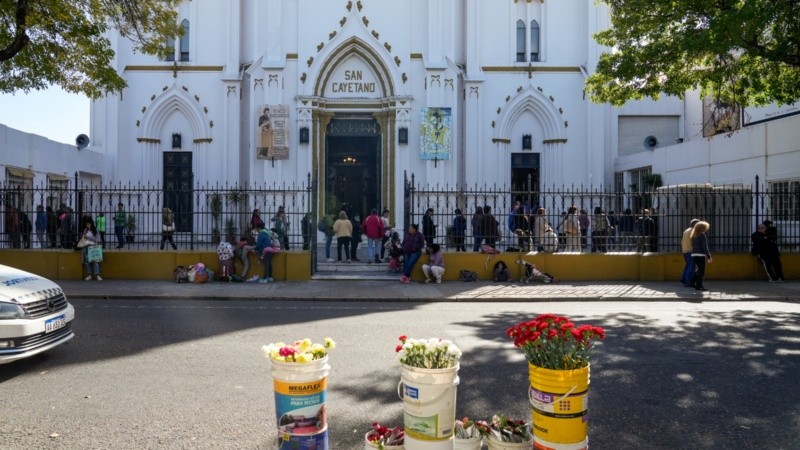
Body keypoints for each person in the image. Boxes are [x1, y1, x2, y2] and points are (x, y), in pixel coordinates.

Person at [690, 221, 712, 291]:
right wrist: (709, 256)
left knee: (699, 270)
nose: (706, 229)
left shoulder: (693, 235)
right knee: (701, 271)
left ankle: (692, 281)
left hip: (694, 254)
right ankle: (699, 286)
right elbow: (705, 247)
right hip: (700, 255)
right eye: (705, 228)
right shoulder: (702, 235)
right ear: (702, 228)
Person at [680, 219, 701, 287]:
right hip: (690, 251)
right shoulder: (693, 231)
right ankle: (688, 282)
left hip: (685, 250)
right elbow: (695, 242)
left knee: (688, 266)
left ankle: (683, 279)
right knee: (691, 267)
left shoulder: (686, 230)